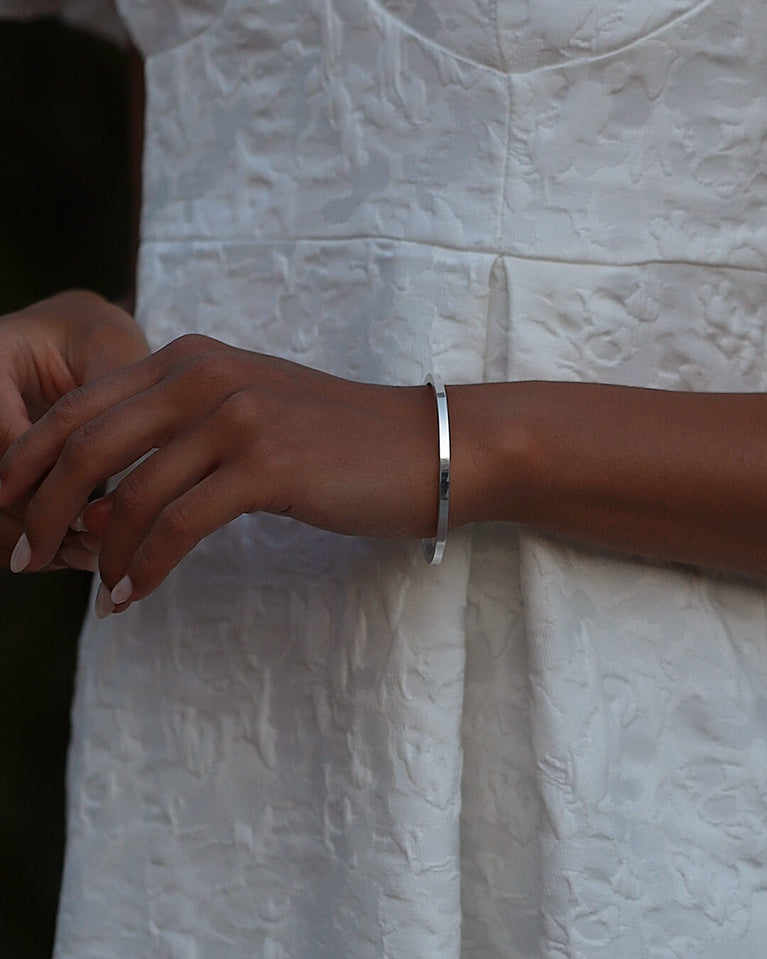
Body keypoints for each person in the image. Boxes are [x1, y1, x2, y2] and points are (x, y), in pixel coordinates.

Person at [2, 1, 767, 956]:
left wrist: (451, 442)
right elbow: (274, 226)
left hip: (651, 807)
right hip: (222, 808)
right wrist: (106, 352)